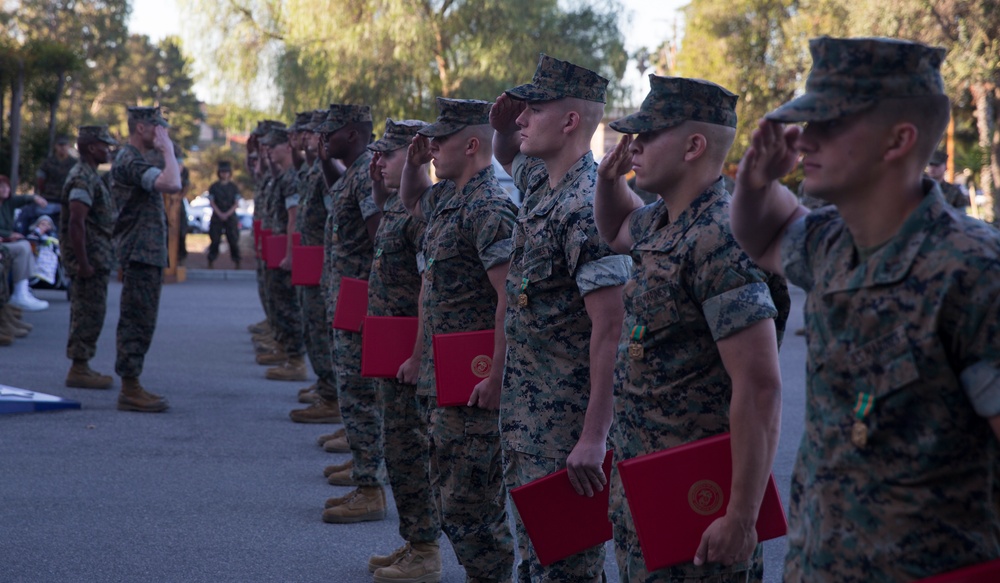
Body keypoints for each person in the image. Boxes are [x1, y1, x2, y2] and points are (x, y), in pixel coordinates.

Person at [729, 36, 1000, 581]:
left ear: (898, 139)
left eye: (829, 124)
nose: (805, 139)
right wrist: (754, 182)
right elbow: (763, 239)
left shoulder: (971, 271)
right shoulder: (833, 242)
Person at [594, 75, 789, 582]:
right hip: (650, 483)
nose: (632, 146)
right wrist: (607, 181)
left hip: (699, 498)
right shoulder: (663, 220)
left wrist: (741, 517)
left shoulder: (720, 237)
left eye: (647, 135)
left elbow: (760, 386)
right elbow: (615, 231)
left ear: (693, 146)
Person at [490, 54, 630, 582]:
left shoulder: (587, 207)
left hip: (565, 426)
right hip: (529, 417)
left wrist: (595, 435)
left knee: (566, 567)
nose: (522, 118)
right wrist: (504, 128)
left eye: (534, 109)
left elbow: (610, 327)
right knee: (537, 557)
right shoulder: (545, 183)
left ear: (570, 121)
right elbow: (510, 155)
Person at [399, 97, 517, 582]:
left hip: (473, 382)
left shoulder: (489, 206)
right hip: (444, 377)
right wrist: (412, 165)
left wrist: (495, 375)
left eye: (438, 141)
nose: (430, 149)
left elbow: (510, 298)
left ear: (470, 145)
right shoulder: (450, 197)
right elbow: (411, 202)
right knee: (453, 499)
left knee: (473, 505)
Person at [362, 118, 444, 582]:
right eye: (374, 155)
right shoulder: (396, 206)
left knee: (410, 449)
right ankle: (415, 539)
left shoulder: (418, 216)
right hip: (390, 350)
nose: (376, 164)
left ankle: (426, 550)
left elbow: (426, 290)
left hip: (409, 357)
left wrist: (417, 355)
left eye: (386, 156)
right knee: (397, 448)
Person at [310, 104, 388, 523]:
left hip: (359, 296)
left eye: (330, 132)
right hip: (347, 293)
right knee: (351, 389)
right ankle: (364, 469)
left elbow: (380, 242)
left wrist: (375, 303)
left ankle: (370, 487)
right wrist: (325, 162)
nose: (323, 138)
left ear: (353, 134)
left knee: (359, 392)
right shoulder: (356, 172)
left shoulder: (367, 173)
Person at [110, 105, 182, 413]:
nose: (161, 132)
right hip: (139, 251)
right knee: (136, 319)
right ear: (141, 128)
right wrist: (168, 150)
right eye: (158, 127)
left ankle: (132, 382)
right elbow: (173, 183)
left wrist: (165, 149)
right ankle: (129, 387)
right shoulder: (129, 159)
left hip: (146, 252)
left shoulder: (136, 159)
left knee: (143, 318)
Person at [60, 125, 119, 390]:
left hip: (96, 258)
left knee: (91, 310)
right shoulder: (82, 177)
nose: (109, 150)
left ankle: (82, 364)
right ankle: (79, 368)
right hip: (89, 261)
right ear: (93, 147)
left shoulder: (91, 176)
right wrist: (83, 263)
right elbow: (76, 222)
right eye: (106, 146)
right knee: (88, 312)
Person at [291, 109, 340, 414]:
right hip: (313, 258)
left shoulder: (331, 173)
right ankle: (326, 388)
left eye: (311, 132)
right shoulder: (314, 170)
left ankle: (331, 396)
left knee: (324, 330)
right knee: (313, 325)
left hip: (325, 261)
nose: (305, 138)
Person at [259, 127, 307, 382]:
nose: (267, 150)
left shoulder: (291, 178)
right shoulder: (283, 176)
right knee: (278, 302)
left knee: (288, 306)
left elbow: (293, 219)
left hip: (284, 252)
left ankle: (296, 360)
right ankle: (287, 353)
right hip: (276, 248)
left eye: (272, 146)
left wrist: (291, 254)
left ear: (287, 147)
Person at [0, 174, 50, 311]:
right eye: (1, 187)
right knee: (22, 248)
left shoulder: (7, 204)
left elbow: (23, 199)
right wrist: (8, 235)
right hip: (3, 242)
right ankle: (19, 293)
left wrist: (36, 198)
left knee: (26, 245)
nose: (5, 190)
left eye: (7, 187)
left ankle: (22, 290)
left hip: (5, 241)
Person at [207, 161, 242, 269]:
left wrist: (227, 214)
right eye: (222, 172)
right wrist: (220, 214)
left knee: (233, 239)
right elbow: (212, 202)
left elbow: (236, 203)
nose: (224, 174)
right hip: (217, 216)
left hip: (230, 216)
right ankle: (211, 260)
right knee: (215, 239)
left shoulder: (233, 187)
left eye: (226, 172)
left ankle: (237, 261)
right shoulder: (214, 187)